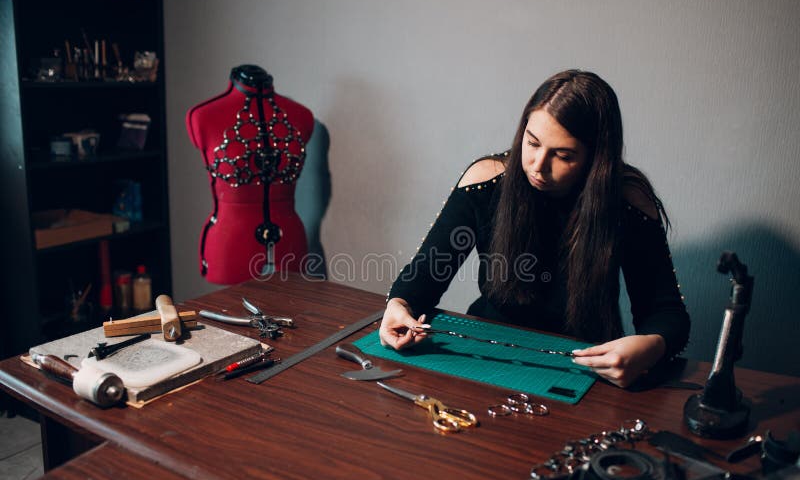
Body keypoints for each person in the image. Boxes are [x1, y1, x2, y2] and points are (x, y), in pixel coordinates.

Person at [379, 69, 690, 388]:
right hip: (486, 348)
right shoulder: (485, 180)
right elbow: (427, 273)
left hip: (587, 364)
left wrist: (653, 345)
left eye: (563, 155)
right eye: (532, 143)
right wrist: (399, 305)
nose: (538, 165)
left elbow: (666, 312)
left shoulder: (627, 200)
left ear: (595, 158)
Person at [186, 65, 314, 284]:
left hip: (290, 240)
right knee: (228, 315)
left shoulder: (302, 115)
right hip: (230, 241)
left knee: (294, 312)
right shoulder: (202, 116)